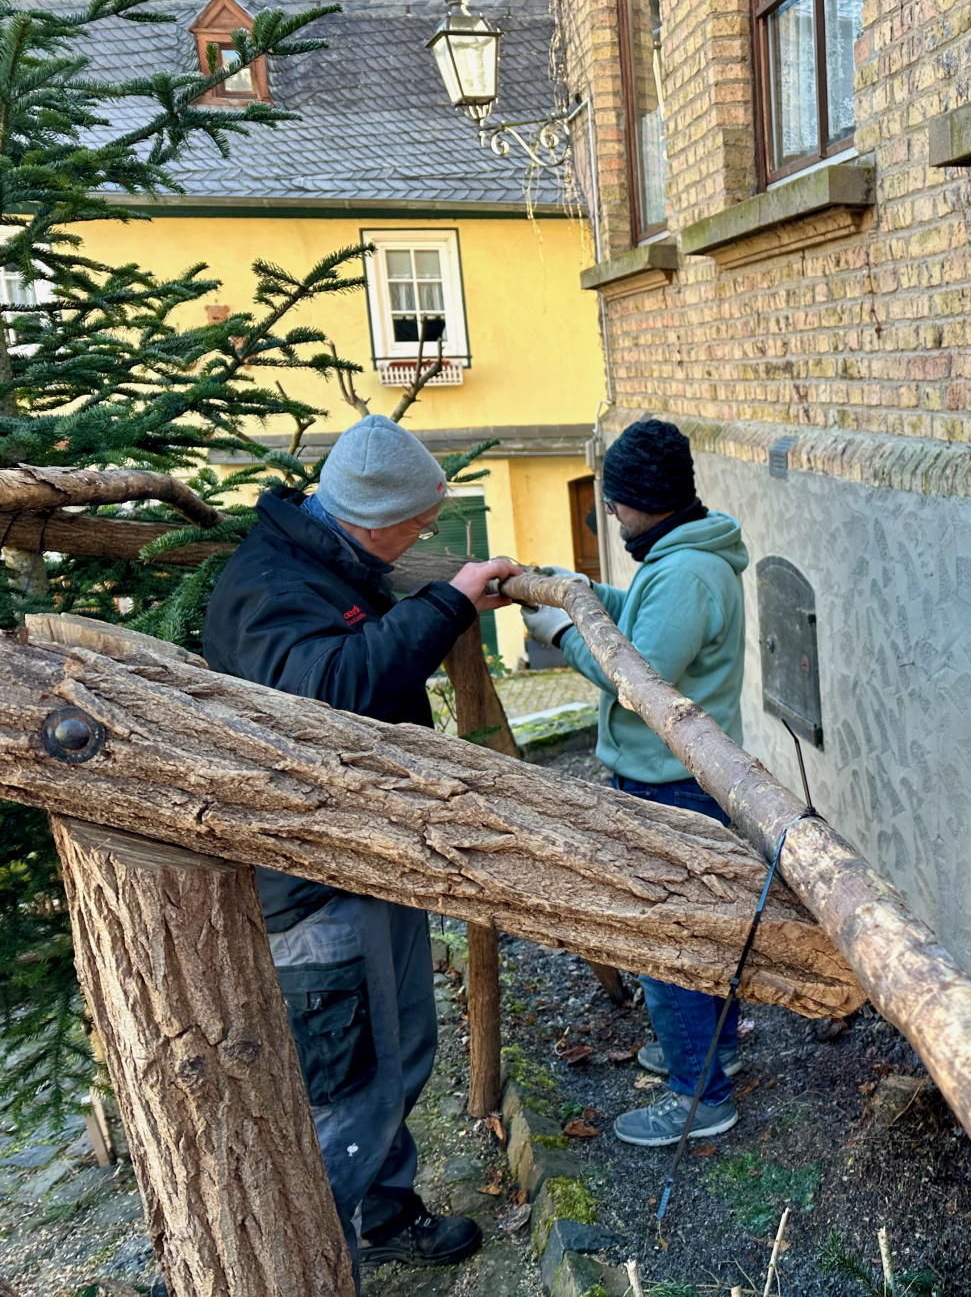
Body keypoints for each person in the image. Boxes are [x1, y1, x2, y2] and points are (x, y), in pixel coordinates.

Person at [203, 414, 522, 1281]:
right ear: (375, 520)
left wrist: (441, 599)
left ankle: (381, 1212)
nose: (423, 536)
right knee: (346, 1083)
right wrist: (449, 602)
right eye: (418, 525)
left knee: (398, 1049)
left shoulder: (322, 561)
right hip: (313, 885)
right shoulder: (272, 587)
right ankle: (315, 1264)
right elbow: (335, 689)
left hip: (362, 860)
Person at [521, 417, 752, 1148]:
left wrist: (562, 634)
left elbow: (636, 675)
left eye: (616, 502)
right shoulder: (679, 555)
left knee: (665, 943)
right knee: (697, 930)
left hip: (668, 783)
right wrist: (580, 592)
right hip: (680, 776)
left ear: (646, 499)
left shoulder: (684, 573)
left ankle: (698, 1096)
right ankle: (711, 1051)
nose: (611, 514)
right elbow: (640, 617)